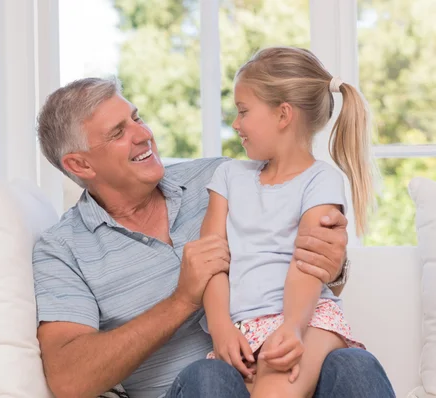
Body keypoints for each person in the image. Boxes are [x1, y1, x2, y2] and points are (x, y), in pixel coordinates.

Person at [32, 76, 395, 398]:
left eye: (137, 118)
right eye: (118, 132)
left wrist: (331, 268)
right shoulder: (63, 249)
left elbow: (306, 259)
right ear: (80, 165)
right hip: (197, 388)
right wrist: (182, 300)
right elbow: (69, 380)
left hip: (290, 375)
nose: (143, 134)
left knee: (354, 365)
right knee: (209, 377)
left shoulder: (223, 177)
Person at [199, 46, 378, 398]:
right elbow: (211, 263)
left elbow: (308, 261)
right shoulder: (228, 177)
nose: (235, 124)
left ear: (283, 115)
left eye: (243, 111)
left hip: (308, 322)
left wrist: (294, 327)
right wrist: (221, 329)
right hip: (242, 329)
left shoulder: (320, 181)